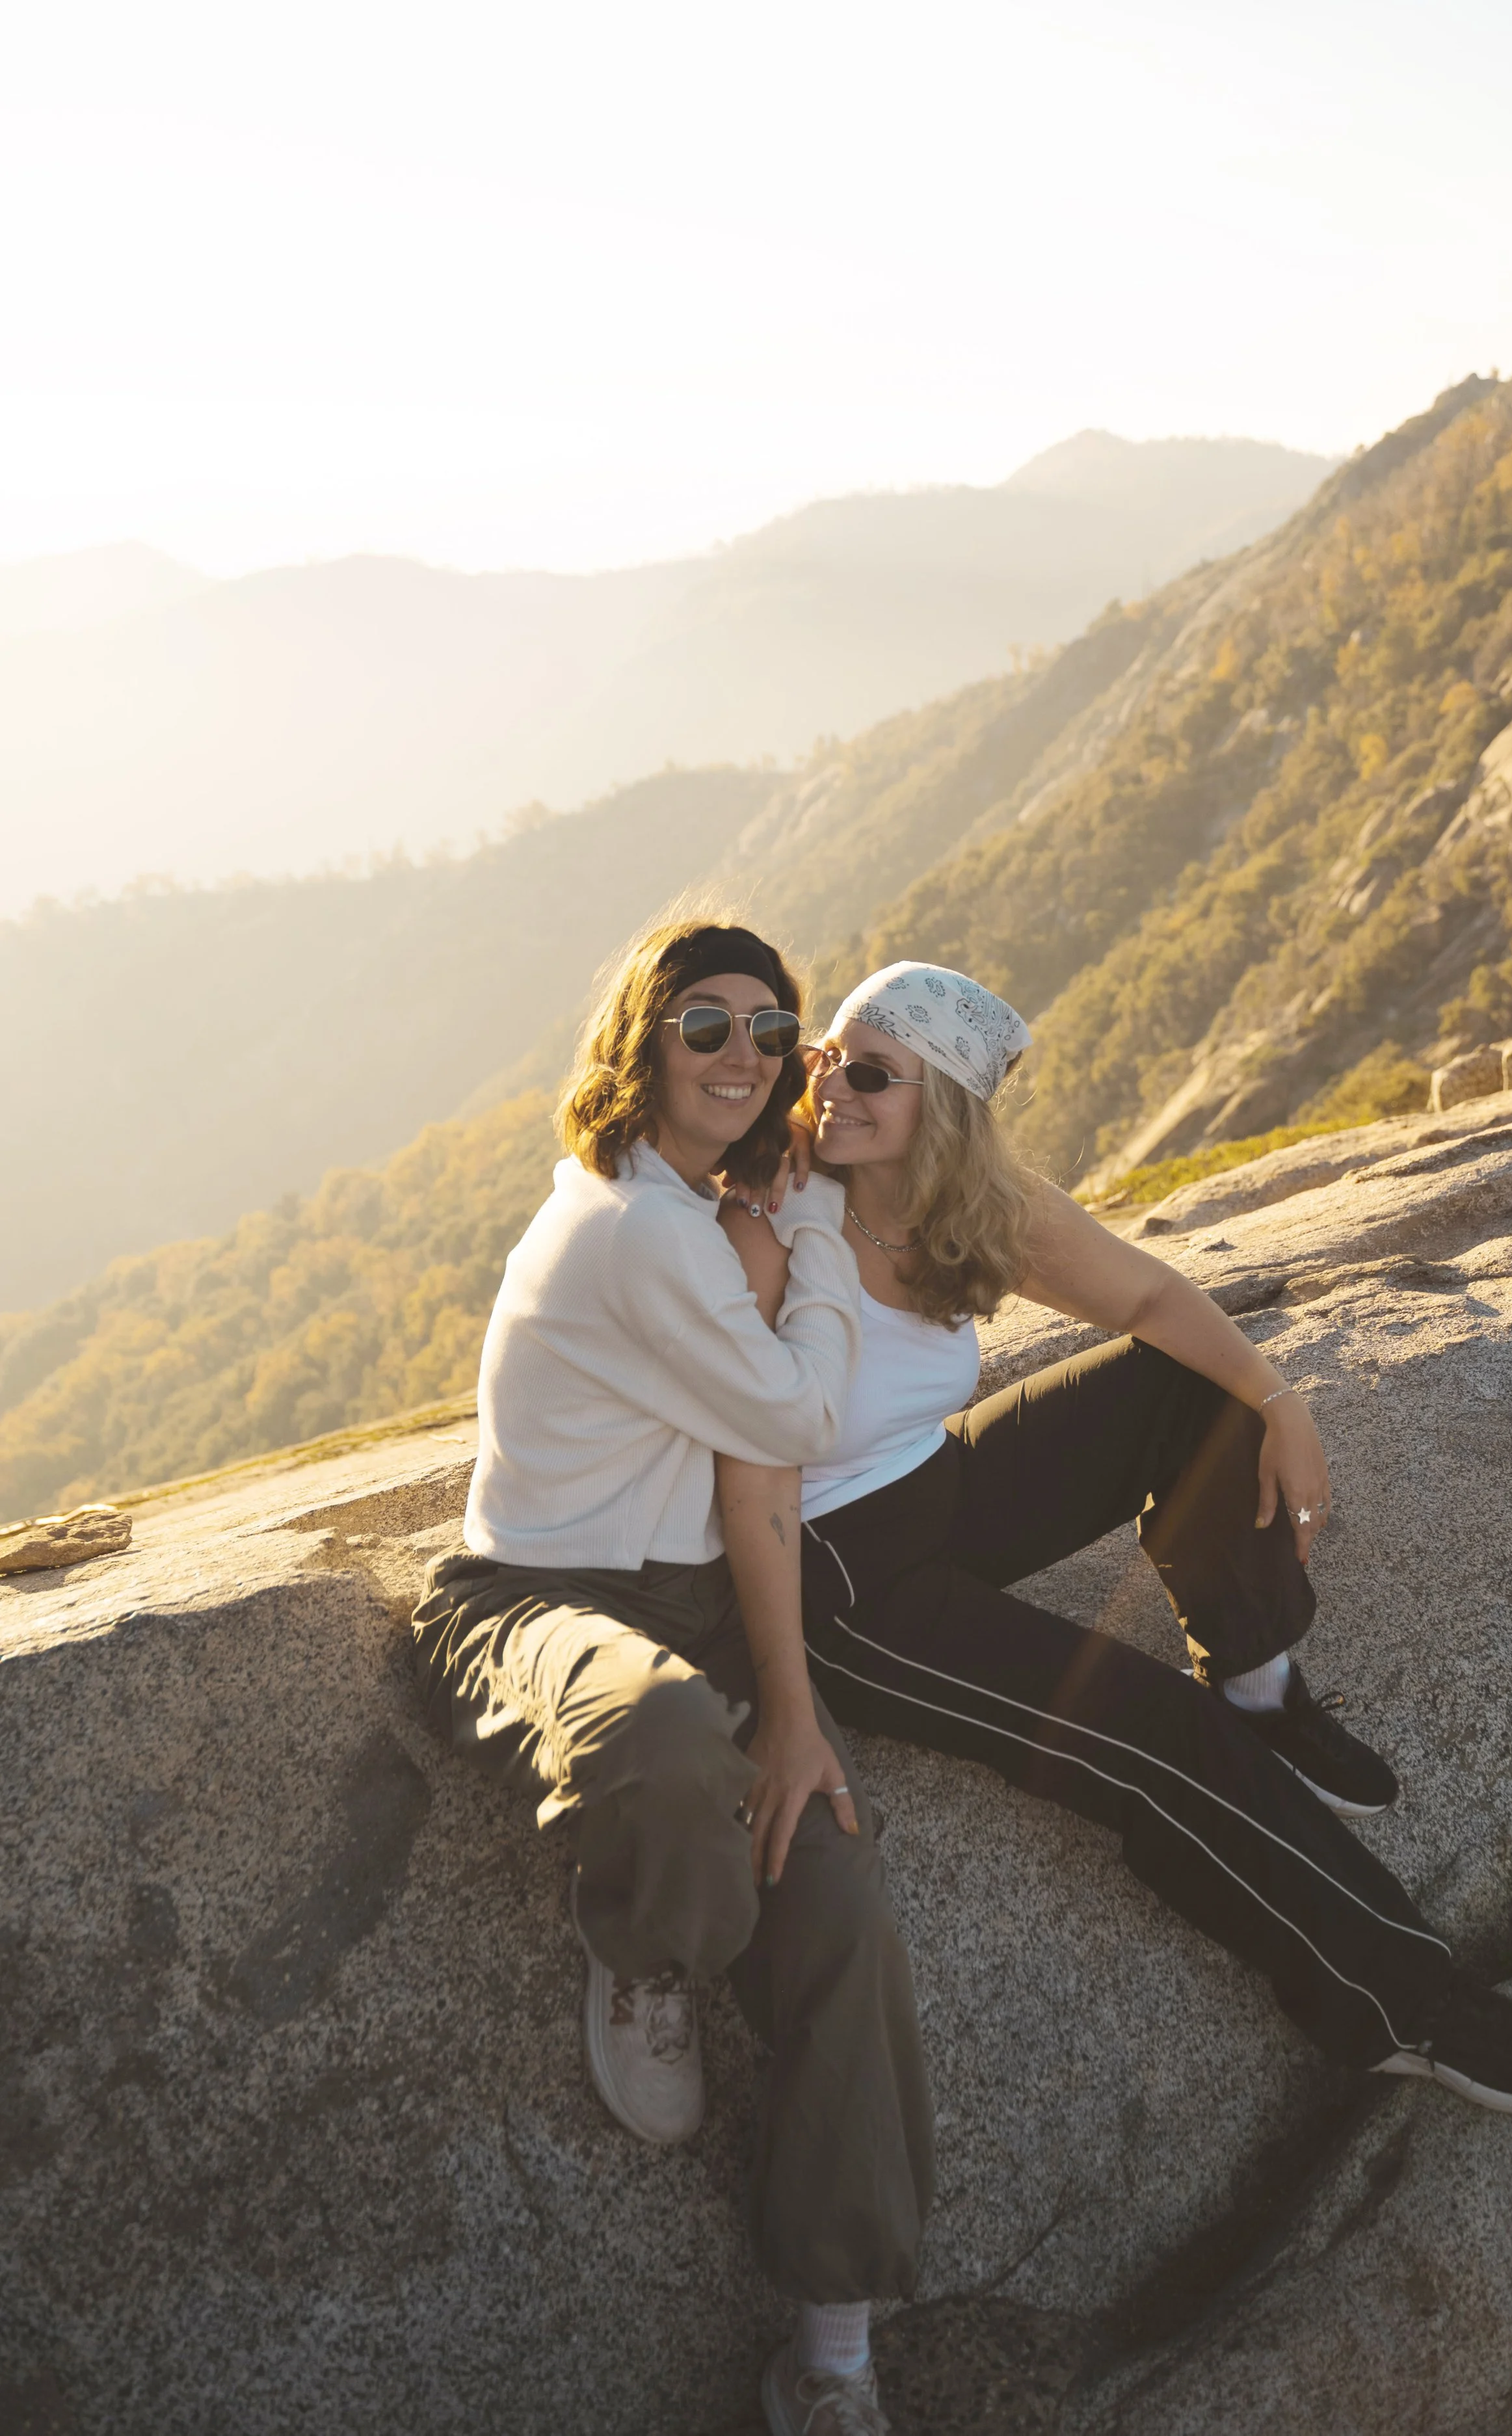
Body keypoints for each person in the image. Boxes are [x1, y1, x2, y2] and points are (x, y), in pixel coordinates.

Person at [721, 959, 1512, 2139]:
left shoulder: (971, 1202)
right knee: (1152, 1742)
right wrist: (780, 1691)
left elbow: (1150, 1300)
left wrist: (1279, 1404)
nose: (830, 1090)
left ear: (948, 1111)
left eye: (871, 1072)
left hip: (933, 1488)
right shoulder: (778, 1207)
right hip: (840, 1576)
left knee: (1193, 1384)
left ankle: (1253, 1679)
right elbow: (744, 1463)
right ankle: (1404, 2006)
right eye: (827, 1060)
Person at [410, 917, 929, 2436]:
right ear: (641, 1041)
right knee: (658, 1735)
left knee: (836, 1884)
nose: (744, 1056)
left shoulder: (697, 1210)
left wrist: (795, 1709)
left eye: (772, 1031)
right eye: (705, 1025)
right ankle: (645, 1944)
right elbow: (800, 1413)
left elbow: (754, 1462)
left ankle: (831, 2356)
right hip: (530, 1598)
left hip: (691, 1602)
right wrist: (817, 1237)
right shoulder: (639, 1228)